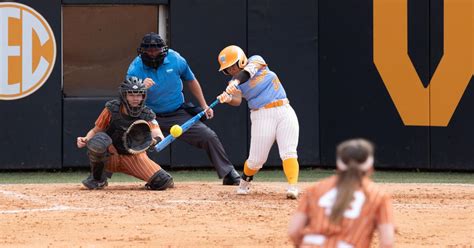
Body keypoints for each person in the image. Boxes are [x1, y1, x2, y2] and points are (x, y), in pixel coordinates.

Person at [126, 33, 240, 185]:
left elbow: (191, 80)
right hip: (148, 115)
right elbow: (128, 96)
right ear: (142, 51)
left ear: (163, 50)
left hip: (177, 112)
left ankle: (228, 173)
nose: (152, 54)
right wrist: (141, 87)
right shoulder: (135, 68)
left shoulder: (176, 59)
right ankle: (101, 177)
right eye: (149, 51)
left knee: (208, 136)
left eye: (156, 50)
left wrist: (204, 105)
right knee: (130, 141)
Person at [216, 45, 300, 199]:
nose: (231, 70)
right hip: (261, 115)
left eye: (233, 65)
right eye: (227, 69)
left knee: (289, 151)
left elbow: (247, 73)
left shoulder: (256, 60)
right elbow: (236, 100)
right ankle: (245, 181)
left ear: (241, 60)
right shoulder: (233, 84)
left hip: (284, 109)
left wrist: (234, 82)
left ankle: (292, 186)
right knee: (256, 160)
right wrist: (228, 98)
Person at [288, 138, 395, 248]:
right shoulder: (378, 195)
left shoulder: (315, 189)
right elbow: (387, 243)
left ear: (339, 165)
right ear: (370, 167)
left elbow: (294, 232)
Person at [76, 76, 174, 191]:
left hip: (134, 157)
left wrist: (153, 141)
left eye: (139, 95)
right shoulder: (111, 109)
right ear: (124, 95)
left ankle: (157, 178)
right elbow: (95, 130)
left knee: (163, 182)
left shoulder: (147, 114)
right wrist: (86, 138)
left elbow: (159, 135)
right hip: (111, 155)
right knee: (99, 140)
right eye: (131, 94)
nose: (136, 98)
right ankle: (98, 179)